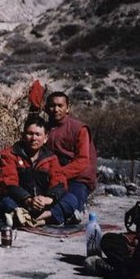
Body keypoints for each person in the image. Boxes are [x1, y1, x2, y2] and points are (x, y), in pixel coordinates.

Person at [0, 116, 67, 225]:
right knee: (6, 202)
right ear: (23, 136)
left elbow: (59, 181)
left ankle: (32, 218)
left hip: (43, 203)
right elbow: (8, 183)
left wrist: (49, 199)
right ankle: (45, 218)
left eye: (38, 134)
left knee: (71, 199)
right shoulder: (10, 155)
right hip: (21, 201)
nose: (33, 138)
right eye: (30, 134)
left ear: (45, 138)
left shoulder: (51, 158)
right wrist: (28, 199)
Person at [45, 91, 98, 224]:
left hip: (77, 177)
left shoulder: (79, 128)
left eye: (60, 105)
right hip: (53, 176)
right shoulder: (44, 129)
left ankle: (56, 215)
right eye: (52, 106)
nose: (56, 109)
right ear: (46, 108)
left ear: (68, 108)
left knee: (71, 200)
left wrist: (59, 174)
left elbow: (82, 160)